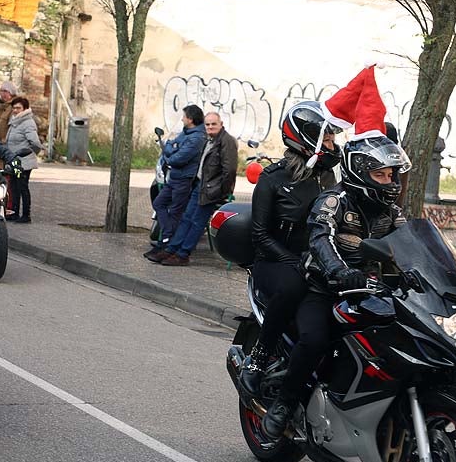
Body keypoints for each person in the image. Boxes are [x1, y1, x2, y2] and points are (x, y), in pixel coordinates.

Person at [263, 135, 411, 437]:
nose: (388, 181)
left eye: (391, 175)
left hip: (371, 291)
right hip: (324, 287)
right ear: (358, 172)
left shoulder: (391, 212)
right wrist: (342, 272)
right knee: (315, 340)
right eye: (380, 174)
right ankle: (284, 402)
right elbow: (321, 240)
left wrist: (454, 274)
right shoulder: (334, 201)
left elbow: (413, 244)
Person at [236, 102, 343, 393]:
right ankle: (259, 355)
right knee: (294, 286)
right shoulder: (273, 179)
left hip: (316, 262)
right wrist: (296, 262)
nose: (333, 145)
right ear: (306, 141)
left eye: (333, 138)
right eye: (327, 139)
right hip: (275, 261)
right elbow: (260, 235)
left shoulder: (328, 177)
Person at [156, 112, 240, 266]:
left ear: (221, 124)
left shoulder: (226, 141)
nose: (210, 127)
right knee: (187, 218)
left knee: (197, 222)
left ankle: (183, 254)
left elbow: (230, 171)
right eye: (207, 124)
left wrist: (219, 191)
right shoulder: (210, 140)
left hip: (211, 190)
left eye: (213, 124)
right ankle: (171, 249)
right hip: (200, 185)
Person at [144, 104, 206, 260]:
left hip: (183, 180)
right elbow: (170, 145)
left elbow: (178, 159)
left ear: (190, 119)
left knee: (176, 212)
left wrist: (169, 153)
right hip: (173, 178)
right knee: (159, 203)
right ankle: (167, 234)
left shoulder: (197, 138)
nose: (182, 119)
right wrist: (171, 150)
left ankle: (165, 242)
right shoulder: (186, 132)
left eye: (184, 116)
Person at [5, 96, 42, 223]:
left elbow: (36, 143)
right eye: (14, 108)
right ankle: (14, 213)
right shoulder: (15, 121)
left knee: (22, 188)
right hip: (15, 161)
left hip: (25, 162)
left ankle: (26, 215)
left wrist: (31, 155)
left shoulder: (27, 122)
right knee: (14, 188)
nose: (15, 110)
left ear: (25, 109)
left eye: (18, 108)